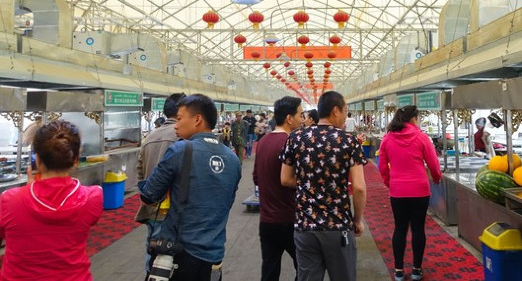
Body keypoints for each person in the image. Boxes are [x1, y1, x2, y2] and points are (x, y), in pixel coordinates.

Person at [139, 94, 242, 281]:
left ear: (197, 119)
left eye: (179, 119)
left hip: (181, 252)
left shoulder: (180, 150)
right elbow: (227, 201)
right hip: (214, 253)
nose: (176, 125)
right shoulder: (233, 159)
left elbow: (149, 194)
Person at [0, 120, 102, 280]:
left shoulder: (9, 200)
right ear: (76, 159)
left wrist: (28, 190)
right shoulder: (93, 197)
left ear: (37, 160)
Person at [281, 91, 367, 281]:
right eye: (345, 111)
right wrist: (357, 220)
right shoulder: (349, 141)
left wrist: (310, 182)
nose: (345, 116)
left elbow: (285, 179)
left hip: (305, 226)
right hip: (338, 226)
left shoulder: (295, 138)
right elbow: (359, 187)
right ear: (335, 110)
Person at [378, 105, 441, 281]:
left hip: (398, 191)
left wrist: (389, 183)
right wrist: (436, 178)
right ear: (413, 119)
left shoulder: (387, 139)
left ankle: (398, 271)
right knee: (418, 229)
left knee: (400, 228)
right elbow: (433, 163)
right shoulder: (422, 137)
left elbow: (382, 166)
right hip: (420, 190)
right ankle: (416, 270)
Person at [253, 96, 303, 281]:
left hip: (267, 220)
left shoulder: (263, 141)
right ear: (289, 118)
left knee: (269, 270)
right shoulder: (293, 142)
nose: (302, 119)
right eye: (300, 115)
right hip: (290, 218)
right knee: (305, 269)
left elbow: (256, 177)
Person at [135, 92, 185, 273]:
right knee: (172, 258)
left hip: (151, 207)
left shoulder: (150, 137)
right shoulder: (182, 137)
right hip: (174, 209)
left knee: (153, 253)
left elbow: (140, 172)